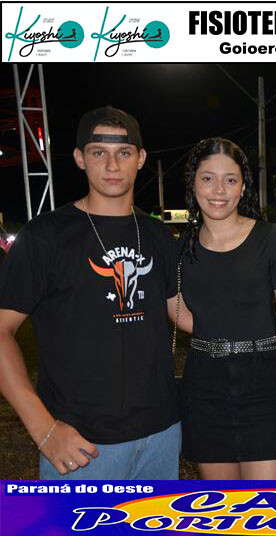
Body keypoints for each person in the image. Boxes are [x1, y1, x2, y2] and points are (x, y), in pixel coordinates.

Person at [0, 106, 181, 480]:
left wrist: (257, 324)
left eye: (124, 152)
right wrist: (43, 428)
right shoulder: (45, 236)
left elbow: (182, 311)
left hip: (163, 435)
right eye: (99, 152)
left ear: (140, 159)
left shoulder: (158, 235)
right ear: (80, 158)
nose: (112, 165)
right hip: (81, 446)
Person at [175, 137, 276, 480]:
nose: (219, 190)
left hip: (265, 386)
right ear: (193, 183)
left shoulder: (272, 239)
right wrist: (219, 331)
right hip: (205, 388)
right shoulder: (182, 248)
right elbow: (176, 310)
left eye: (230, 179)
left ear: (243, 186)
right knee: (222, 508)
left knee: (265, 507)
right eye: (208, 178)